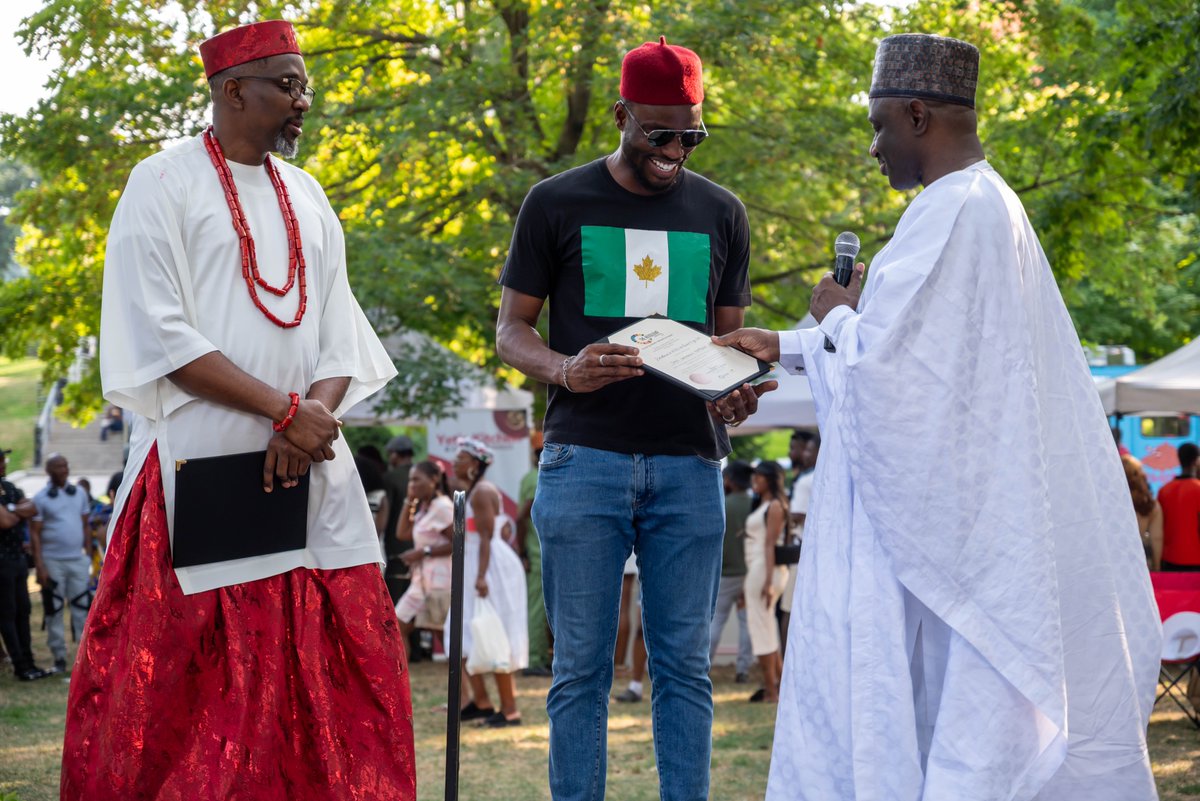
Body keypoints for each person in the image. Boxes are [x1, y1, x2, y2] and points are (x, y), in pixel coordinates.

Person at [717, 33, 1159, 800]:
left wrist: (829, 314)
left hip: (942, 549)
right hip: (960, 529)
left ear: (919, 113)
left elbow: (897, 383)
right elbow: (909, 355)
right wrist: (790, 343)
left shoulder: (954, 212)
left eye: (880, 125)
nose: (874, 146)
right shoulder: (982, 205)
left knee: (946, 730)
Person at [64, 20, 415, 800]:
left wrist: (309, 415)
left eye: (305, 86)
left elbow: (338, 327)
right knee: (186, 690)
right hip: (199, 470)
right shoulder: (161, 181)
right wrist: (284, 411)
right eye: (287, 85)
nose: (303, 102)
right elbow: (158, 333)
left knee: (340, 665)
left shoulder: (309, 192)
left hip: (312, 471)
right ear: (232, 91)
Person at [495, 36, 773, 800]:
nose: (676, 149)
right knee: (580, 666)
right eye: (659, 133)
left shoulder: (723, 211)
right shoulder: (555, 202)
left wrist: (735, 389)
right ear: (620, 116)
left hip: (690, 463)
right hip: (585, 461)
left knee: (683, 667)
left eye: (692, 134)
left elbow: (723, 346)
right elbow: (511, 330)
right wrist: (563, 368)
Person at [446, 437, 529, 727]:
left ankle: (510, 710)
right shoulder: (473, 491)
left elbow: (485, 538)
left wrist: (480, 577)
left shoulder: (481, 491)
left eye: (461, 458)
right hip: (476, 565)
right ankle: (482, 702)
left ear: (475, 464)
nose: (455, 463)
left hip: (488, 568)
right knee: (462, 634)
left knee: (494, 633)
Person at [30, 453, 92, 674]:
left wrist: (88, 555)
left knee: (82, 608)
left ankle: (82, 659)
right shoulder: (41, 498)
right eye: (57, 466)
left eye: (65, 465)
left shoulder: (80, 494)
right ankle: (58, 657)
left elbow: (86, 525)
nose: (63, 470)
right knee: (53, 609)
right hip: (52, 561)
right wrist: (40, 565)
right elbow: (34, 534)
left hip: (78, 560)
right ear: (48, 471)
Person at [0, 447, 52, 681]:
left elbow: (31, 508)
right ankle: (20, 666)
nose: (4, 464)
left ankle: (30, 663)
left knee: (24, 611)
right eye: (1, 461)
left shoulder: (9, 487)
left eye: (4, 460)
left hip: (18, 560)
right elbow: (7, 521)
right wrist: (15, 511)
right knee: (8, 613)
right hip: (1, 563)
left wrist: (12, 509)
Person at [394, 460, 454, 654]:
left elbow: (459, 543)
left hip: (440, 581)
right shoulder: (424, 508)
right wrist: (409, 500)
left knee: (445, 638)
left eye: (416, 480)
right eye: (410, 480)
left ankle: (463, 683)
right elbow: (402, 534)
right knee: (397, 626)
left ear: (434, 480)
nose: (412, 484)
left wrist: (424, 552)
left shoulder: (442, 507)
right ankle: (402, 682)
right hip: (422, 581)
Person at [743, 461, 788, 703]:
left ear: (770, 479)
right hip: (759, 568)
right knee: (765, 629)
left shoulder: (774, 506)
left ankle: (772, 690)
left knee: (762, 631)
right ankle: (779, 686)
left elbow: (770, 544)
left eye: (759, 477)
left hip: (765, 570)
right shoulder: (763, 504)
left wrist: (769, 582)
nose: (754, 481)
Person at [708, 460, 754, 683]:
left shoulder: (723, 504)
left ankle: (704, 664)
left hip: (726, 572)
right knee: (747, 622)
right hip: (750, 571)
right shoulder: (756, 504)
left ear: (731, 480)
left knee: (717, 620)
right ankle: (743, 669)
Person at [517, 431, 553, 676]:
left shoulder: (532, 475)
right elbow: (521, 516)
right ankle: (534, 659)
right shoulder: (538, 476)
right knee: (538, 608)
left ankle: (540, 656)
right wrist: (522, 551)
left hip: (541, 550)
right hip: (538, 552)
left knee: (542, 607)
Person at [781, 432, 818, 652]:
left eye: (808, 450)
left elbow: (797, 516)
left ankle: (788, 669)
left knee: (790, 611)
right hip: (818, 555)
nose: (803, 454)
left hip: (802, 553)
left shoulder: (806, 481)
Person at [383, 435, 416, 604]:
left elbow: (385, 513)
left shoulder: (390, 477)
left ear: (396, 454)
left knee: (396, 599)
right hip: (419, 544)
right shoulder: (424, 475)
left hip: (396, 546)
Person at [1159, 442, 1200, 571]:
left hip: (1169, 559)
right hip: (1196, 561)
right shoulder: (1198, 489)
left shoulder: (1164, 490)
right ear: (1196, 460)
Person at [1122, 454, 1163, 571]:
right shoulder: (1151, 505)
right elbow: (1156, 538)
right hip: (1141, 564)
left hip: (1116, 560)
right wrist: (1157, 567)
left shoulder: (1112, 502)